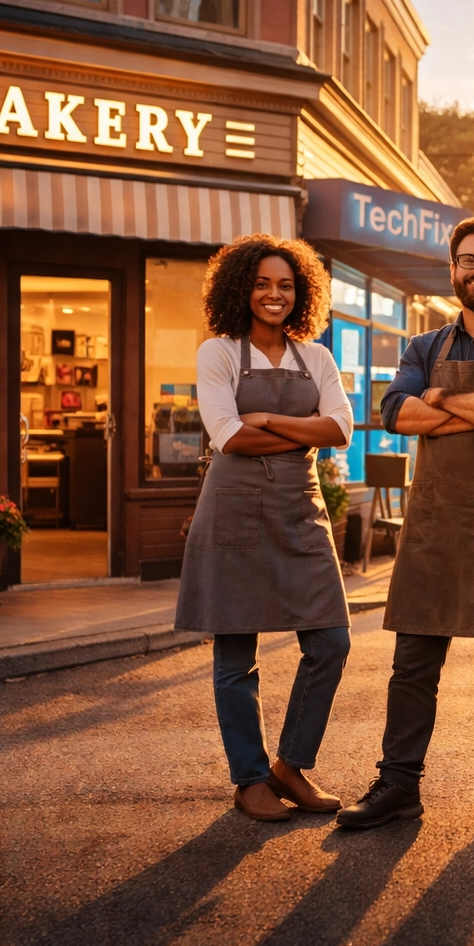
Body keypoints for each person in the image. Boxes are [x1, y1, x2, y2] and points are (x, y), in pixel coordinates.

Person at [337, 216, 474, 831]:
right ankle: (398, 785)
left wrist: (438, 400)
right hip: (434, 525)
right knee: (412, 665)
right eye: (469, 260)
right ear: (453, 269)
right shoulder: (423, 347)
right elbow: (393, 413)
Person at [176, 234, 354, 822]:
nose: (274, 294)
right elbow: (228, 435)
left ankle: (289, 766)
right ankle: (250, 779)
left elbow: (341, 430)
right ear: (240, 289)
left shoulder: (317, 358)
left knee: (331, 643)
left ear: (301, 293)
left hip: (300, 512)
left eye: (285, 285)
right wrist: (302, 429)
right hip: (234, 512)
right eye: (261, 284)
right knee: (236, 654)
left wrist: (269, 419)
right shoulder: (219, 353)